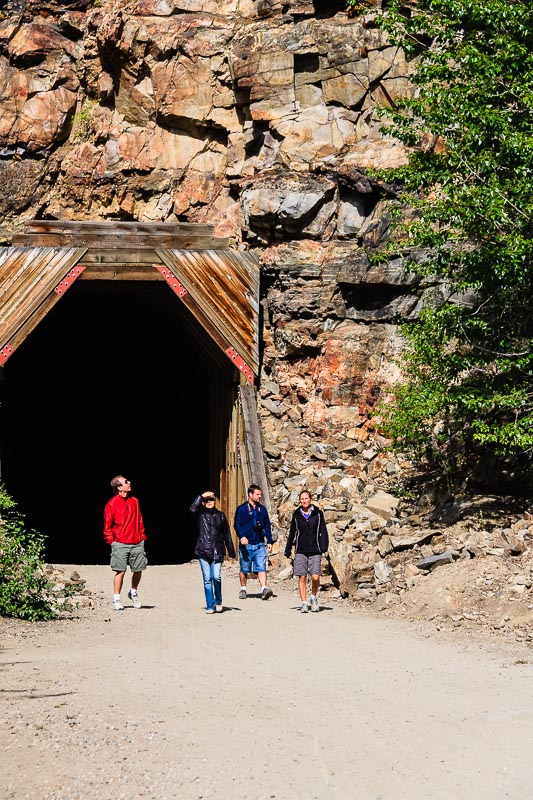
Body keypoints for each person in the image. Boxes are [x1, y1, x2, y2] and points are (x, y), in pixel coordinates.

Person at [103, 475, 147, 611]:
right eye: (126, 482)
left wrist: (142, 535)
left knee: (138, 569)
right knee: (120, 571)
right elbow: (107, 526)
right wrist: (112, 541)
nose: (130, 482)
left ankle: (133, 592)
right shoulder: (111, 504)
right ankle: (116, 598)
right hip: (120, 543)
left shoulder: (135, 501)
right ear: (119, 487)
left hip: (137, 541)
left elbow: (139, 519)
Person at [190, 491, 236, 614]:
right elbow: (193, 508)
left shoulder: (221, 515)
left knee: (216, 576)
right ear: (203, 503)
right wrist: (202, 496)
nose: (209, 502)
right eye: (207, 500)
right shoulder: (200, 515)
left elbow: (227, 534)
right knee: (207, 579)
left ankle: (218, 600)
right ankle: (210, 605)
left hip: (217, 550)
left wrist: (231, 551)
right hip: (203, 550)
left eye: (212, 500)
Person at [284, 489, 328, 613]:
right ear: (299, 501)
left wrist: (324, 546)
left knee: (315, 576)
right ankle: (304, 603)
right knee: (302, 577)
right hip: (301, 550)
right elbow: (292, 533)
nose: (304, 501)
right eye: (302, 499)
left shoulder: (318, 514)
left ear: (310, 499)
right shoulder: (296, 515)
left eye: (306, 498)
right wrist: (288, 549)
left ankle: (313, 597)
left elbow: (323, 531)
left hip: (315, 549)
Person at [234, 484, 274, 601]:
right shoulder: (242, 509)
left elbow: (267, 526)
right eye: (257, 494)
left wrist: (269, 541)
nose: (259, 496)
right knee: (244, 569)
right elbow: (237, 524)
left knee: (261, 567)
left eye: (260, 494)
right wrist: (242, 536)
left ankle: (264, 589)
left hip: (260, 544)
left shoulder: (262, 509)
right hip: (246, 545)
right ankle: (243, 588)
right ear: (250, 494)